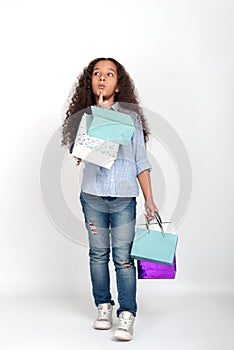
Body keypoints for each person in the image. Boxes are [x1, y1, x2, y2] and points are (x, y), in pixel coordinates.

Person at [61, 57, 159, 341]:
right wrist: (99, 115)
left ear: (119, 84)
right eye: (96, 73)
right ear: (89, 82)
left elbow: (141, 161)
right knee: (98, 254)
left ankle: (127, 314)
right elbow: (82, 154)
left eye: (109, 74)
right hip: (92, 196)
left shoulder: (131, 118)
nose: (102, 78)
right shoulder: (84, 117)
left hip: (123, 198)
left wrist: (149, 199)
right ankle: (104, 306)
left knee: (123, 259)